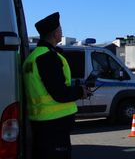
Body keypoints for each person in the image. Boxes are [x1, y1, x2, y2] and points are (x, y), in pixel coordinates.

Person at [23, 12, 90, 159]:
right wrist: (80, 91)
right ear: (55, 33)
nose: (62, 31)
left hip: (41, 122)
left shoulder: (33, 57)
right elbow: (59, 93)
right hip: (54, 125)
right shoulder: (47, 57)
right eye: (60, 29)